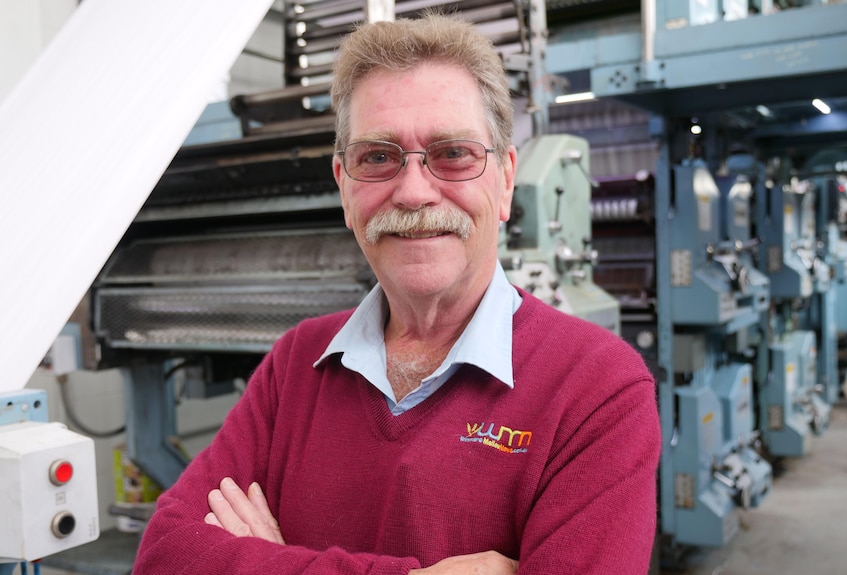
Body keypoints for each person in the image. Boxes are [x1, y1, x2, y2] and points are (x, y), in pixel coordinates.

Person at [132, 12, 661, 575]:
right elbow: (165, 557)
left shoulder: (598, 390)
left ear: (506, 181)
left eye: (453, 153)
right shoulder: (295, 365)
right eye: (378, 158)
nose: (412, 192)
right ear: (343, 186)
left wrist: (268, 562)